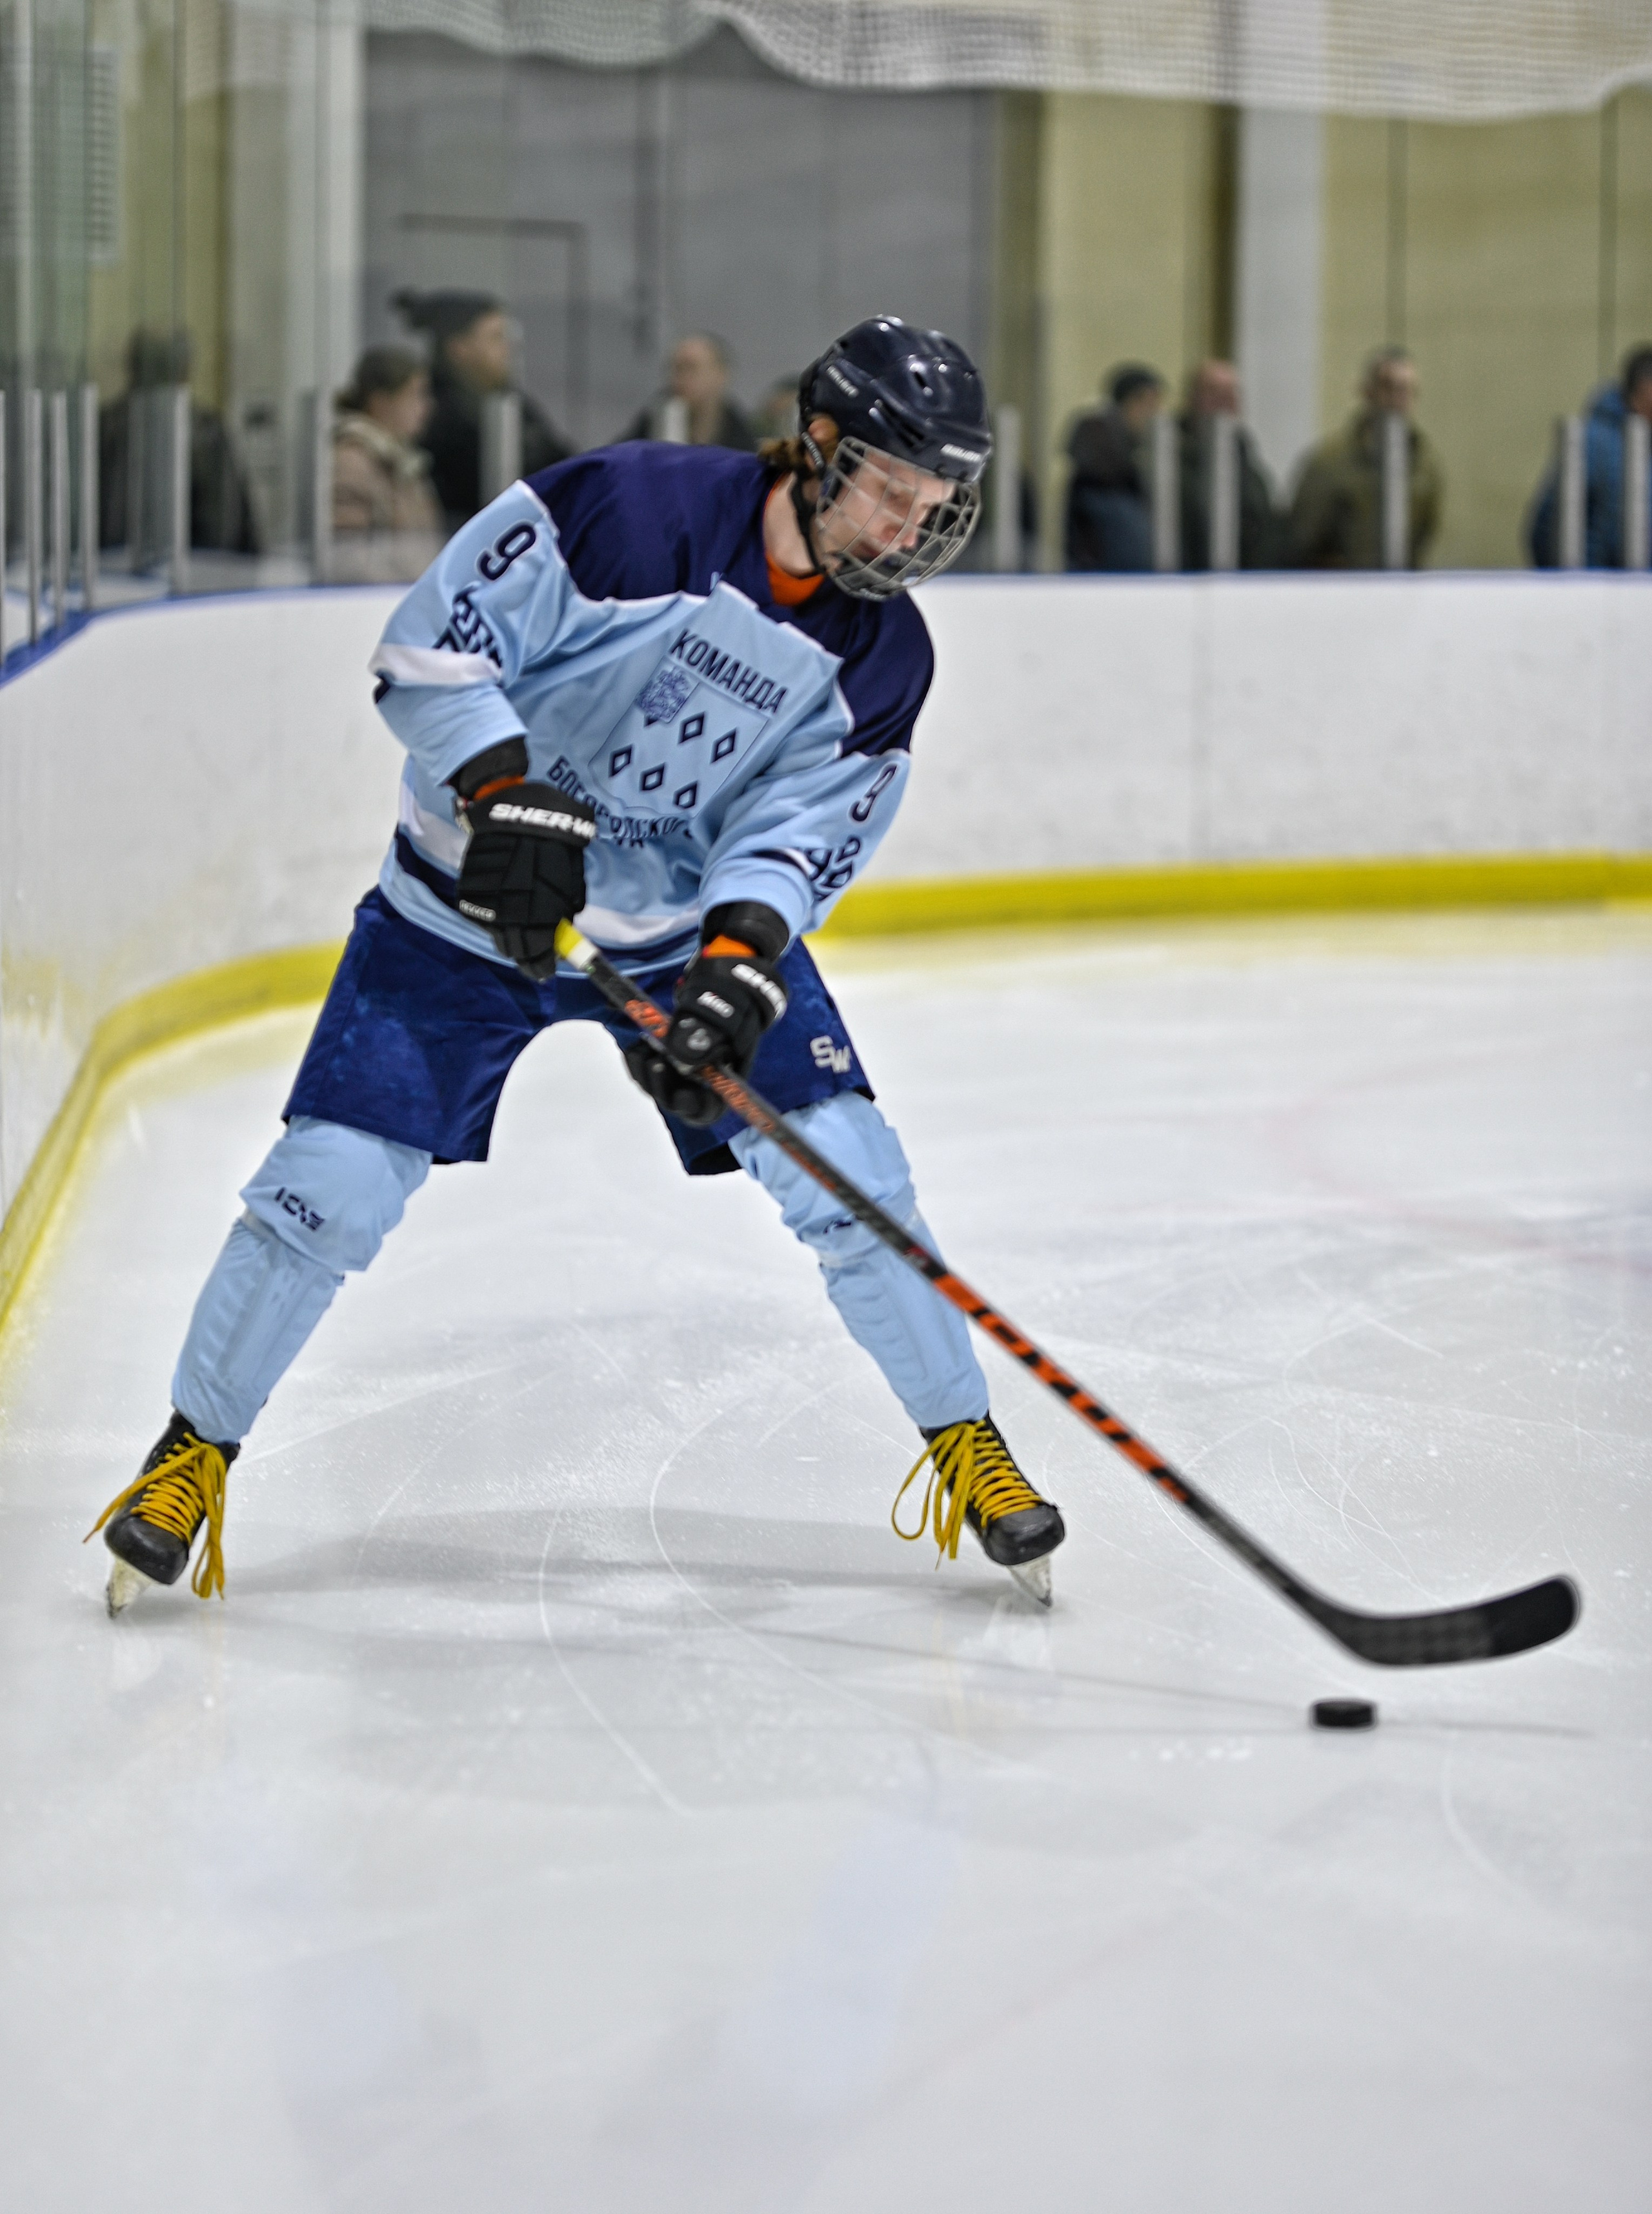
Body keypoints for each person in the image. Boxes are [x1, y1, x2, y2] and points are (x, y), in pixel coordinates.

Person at [87, 315, 1066, 1621]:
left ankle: (964, 1443)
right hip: (458, 912)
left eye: (934, 506)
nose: (907, 531)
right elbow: (431, 645)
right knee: (326, 1188)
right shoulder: (625, 505)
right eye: (891, 491)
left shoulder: (884, 658)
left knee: (852, 1174)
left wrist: (734, 962)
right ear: (819, 448)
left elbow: (793, 833)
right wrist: (504, 791)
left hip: (664, 937)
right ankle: (187, 1458)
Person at [394, 289, 574, 531]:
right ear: (459, 348)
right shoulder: (433, 413)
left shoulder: (508, 401)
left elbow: (563, 462)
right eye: (496, 338)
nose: (509, 349)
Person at [98, 328, 261, 559]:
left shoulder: (105, 425)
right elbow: (228, 531)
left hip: (113, 577)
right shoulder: (206, 430)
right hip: (199, 575)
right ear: (185, 370)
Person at [1287, 346, 1443, 569]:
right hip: (1342, 590)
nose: (1398, 399)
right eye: (1389, 387)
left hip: (1402, 587)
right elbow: (1302, 539)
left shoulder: (1425, 465)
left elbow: (1426, 532)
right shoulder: (1329, 463)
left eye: (1407, 390)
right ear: (1367, 391)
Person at [1526, 344, 1652, 568]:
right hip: (1601, 586)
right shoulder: (1594, 442)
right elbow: (1547, 525)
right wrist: (1581, 582)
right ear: (1638, 392)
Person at [328, 347, 444, 584]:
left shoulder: (405, 462)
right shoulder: (352, 463)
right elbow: (347, 558)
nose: (425, 407)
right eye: (415, 395)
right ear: (380, 402)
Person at [1176, 360, 1280, 571]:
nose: (1226, 399)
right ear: (1192, 397)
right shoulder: (1170, 462)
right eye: (1214, 391)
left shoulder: (1249, 465)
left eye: (1232, 392)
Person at [1063, 363, 1164, 573]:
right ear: (1131, 402)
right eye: (1150, 404)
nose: (1155, 415)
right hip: (1104, 571)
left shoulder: (1131, 451)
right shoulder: (1106, 461)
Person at [624, 333, 757, 451]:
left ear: (721, 375)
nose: (680, 379)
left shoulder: (743, 442)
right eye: (677, 369)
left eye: (691, 368)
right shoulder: (652, 421)